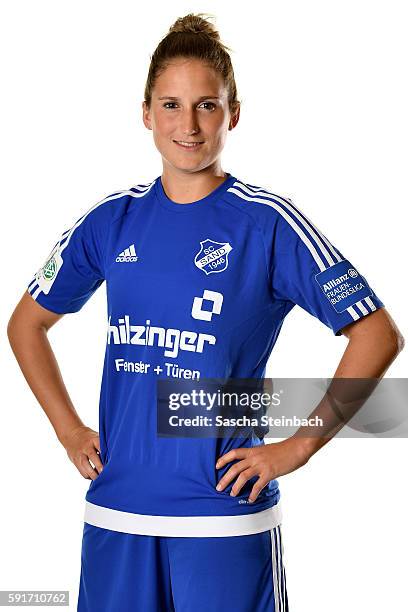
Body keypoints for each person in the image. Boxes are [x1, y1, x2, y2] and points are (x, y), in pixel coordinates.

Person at [7, 11, 404, 612]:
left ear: (233, 113)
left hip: (222, 518)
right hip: (117, 510)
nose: (187, 125)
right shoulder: (111, 220)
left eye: (207, 106)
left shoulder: (266, 223)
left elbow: (377, 335)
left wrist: (296, 447)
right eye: (170, 105)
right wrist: (68, 429)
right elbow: (26, 325)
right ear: (146, 114)